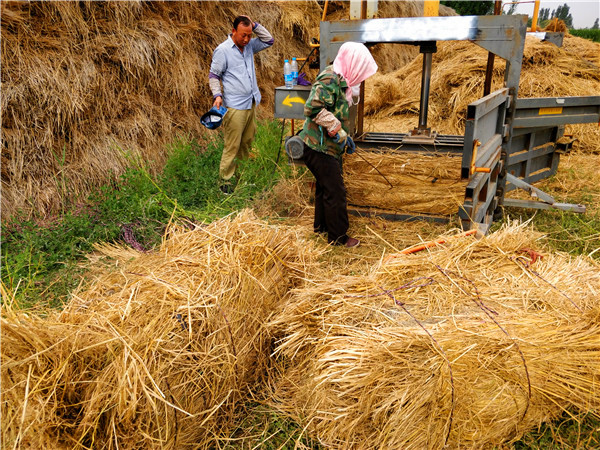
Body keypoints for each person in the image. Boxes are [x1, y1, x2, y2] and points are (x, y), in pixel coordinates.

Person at [298, 42, 377, 248]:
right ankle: (338, 237)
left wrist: (344, 136)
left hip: (325, 145)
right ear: (353, 63)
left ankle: (322, 226)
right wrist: (337, 129)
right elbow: (312, 108)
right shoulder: (330, 78)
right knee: (336, 191)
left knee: (325, 187)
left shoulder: (342, 78)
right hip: (318, 146)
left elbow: (334, 107)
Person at [209, 16, 274, 195]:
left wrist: (254, 25)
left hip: (251, 102)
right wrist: (217, 95)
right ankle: (225, 184)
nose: (246, 39)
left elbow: (269, 40)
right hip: (234, 106)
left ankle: (241, 179)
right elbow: (214, 75)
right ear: (233, 31)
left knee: (246, 143)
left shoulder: (249, 46)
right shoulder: (222, 51)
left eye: (249, 35)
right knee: (232, 145)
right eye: (243, 35)